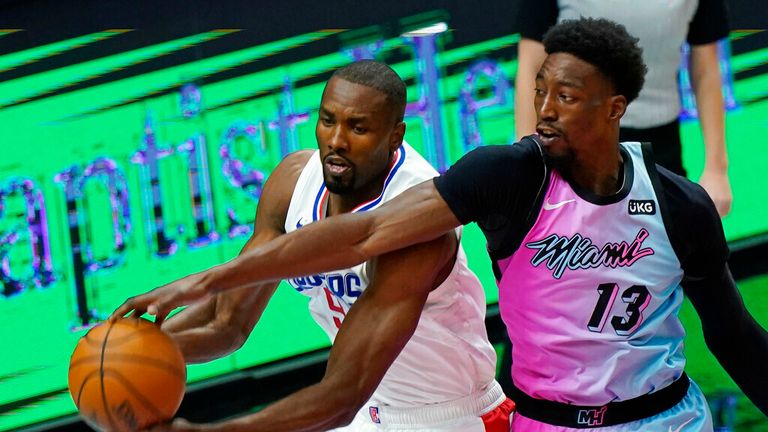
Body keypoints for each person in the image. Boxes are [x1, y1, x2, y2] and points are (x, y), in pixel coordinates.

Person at [113, 19, 768, 431]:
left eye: (563, 98)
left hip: (479, 417)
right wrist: (167, 319)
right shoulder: (504, 174)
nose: (541, 110)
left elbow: (736, 338)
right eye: (538, 90)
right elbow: (352, 242)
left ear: (614, 108)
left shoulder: (679, 207)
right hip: (522, 420)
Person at [118, 60, 514, 432]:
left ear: (395, 136)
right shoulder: (293, 183)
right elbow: (226, 322)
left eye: (358, 128)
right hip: (369, 414)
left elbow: (341, 394)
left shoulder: (417, 224)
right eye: (328, 121)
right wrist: (130, 357)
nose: (336, 141)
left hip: (450, 417)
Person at [513, 0, 733, 216]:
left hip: (660, 150)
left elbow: (706, 69)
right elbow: (532, 66)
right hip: (574, 151)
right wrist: (529, 166)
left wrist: (717, 169)